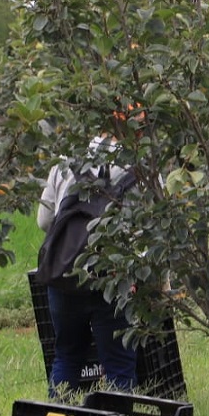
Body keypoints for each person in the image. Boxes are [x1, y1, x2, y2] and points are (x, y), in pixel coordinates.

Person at [36, 120, 138, 400]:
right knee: (119, 366)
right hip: (112, 279)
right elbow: (148, 234)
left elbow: (44, 220)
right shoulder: (137, 165)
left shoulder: (65, 161)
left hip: (65, 276)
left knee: (67, 356)